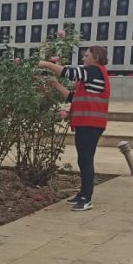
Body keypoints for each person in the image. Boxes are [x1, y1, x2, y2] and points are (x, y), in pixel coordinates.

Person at [39, 45, 110, 211]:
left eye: (86, 55)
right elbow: (73, 97)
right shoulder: (90, 76)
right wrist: (56, 85)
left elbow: (69, 72)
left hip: (90, 124)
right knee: (83, 159)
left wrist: (46, 64)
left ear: (96, 57)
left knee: (86, 160)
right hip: (86, 124)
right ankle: (83, 193)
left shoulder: (94, 71)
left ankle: (86, 198)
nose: (83, 59)